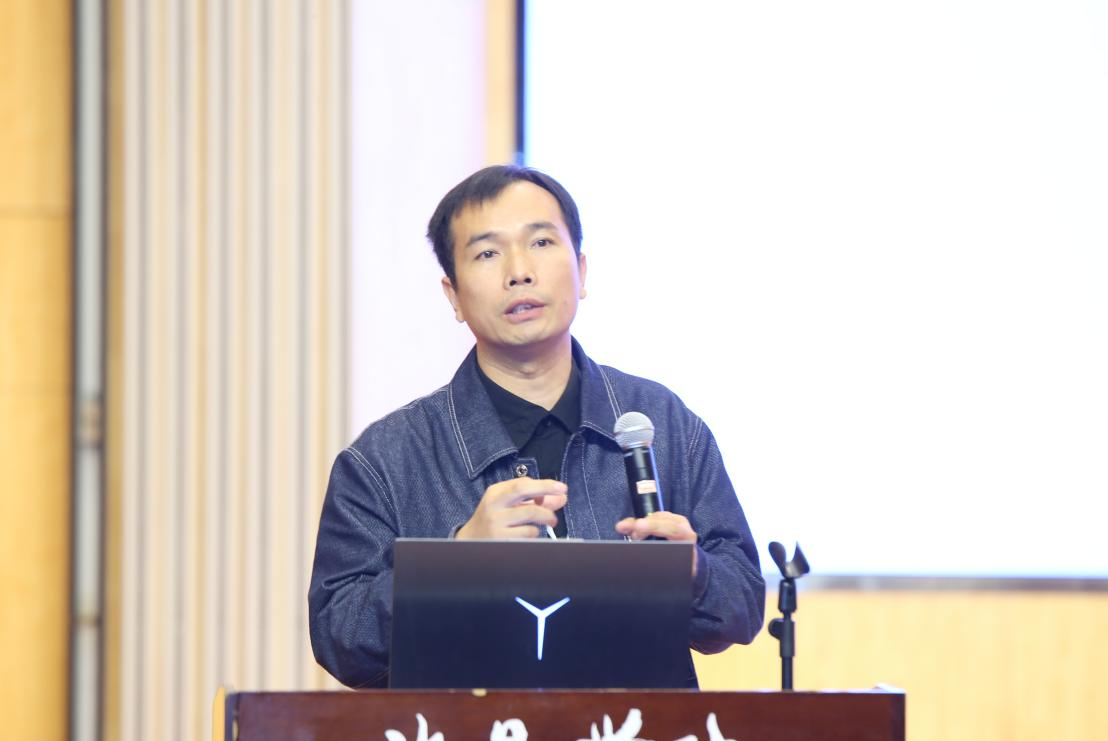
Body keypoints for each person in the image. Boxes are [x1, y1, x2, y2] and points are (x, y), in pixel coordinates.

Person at [308, 165, 765, 688]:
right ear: (453, 296)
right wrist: (455, 563)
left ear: (582, 271)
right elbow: (339, 638)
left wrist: (694, 572)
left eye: (541, 242)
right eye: (487, 253)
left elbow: (743, 604)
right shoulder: (384, 460)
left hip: (635, 738)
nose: (519, 271)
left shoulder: (664, 424)